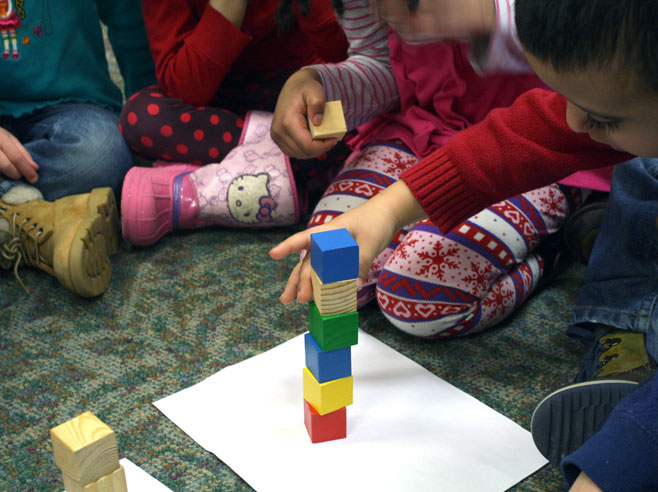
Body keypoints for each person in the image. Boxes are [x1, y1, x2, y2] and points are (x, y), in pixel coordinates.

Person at [270, 0, 658, 490]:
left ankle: (589, 285)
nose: (576, 123)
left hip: (564, 175)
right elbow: (534, 131)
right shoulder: (599, 109)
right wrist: (386, 209)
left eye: (601, 118)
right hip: (425, 133)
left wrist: (614, 462)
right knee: (339, 258)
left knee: (414, 297)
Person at [271, 0, 599, 340]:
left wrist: (492, 18)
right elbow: (384, 65)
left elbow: (601, 46)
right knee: (332, 266)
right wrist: (318, 85)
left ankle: (550, 248)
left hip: (531, 150)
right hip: (426, 129)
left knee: (412, 297)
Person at [118, 0, 350, 246]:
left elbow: (349, 55)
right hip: (218, 100)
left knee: (368, 108)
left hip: (303, 87)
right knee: (141, 117)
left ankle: (193, 192)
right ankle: (300, 173)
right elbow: (186, 90)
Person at [0, 0, 155, 297]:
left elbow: (128, 18)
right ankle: (44, 222)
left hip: (70, 108)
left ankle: (15, 216)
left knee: (102, 153)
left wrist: (149, 112)